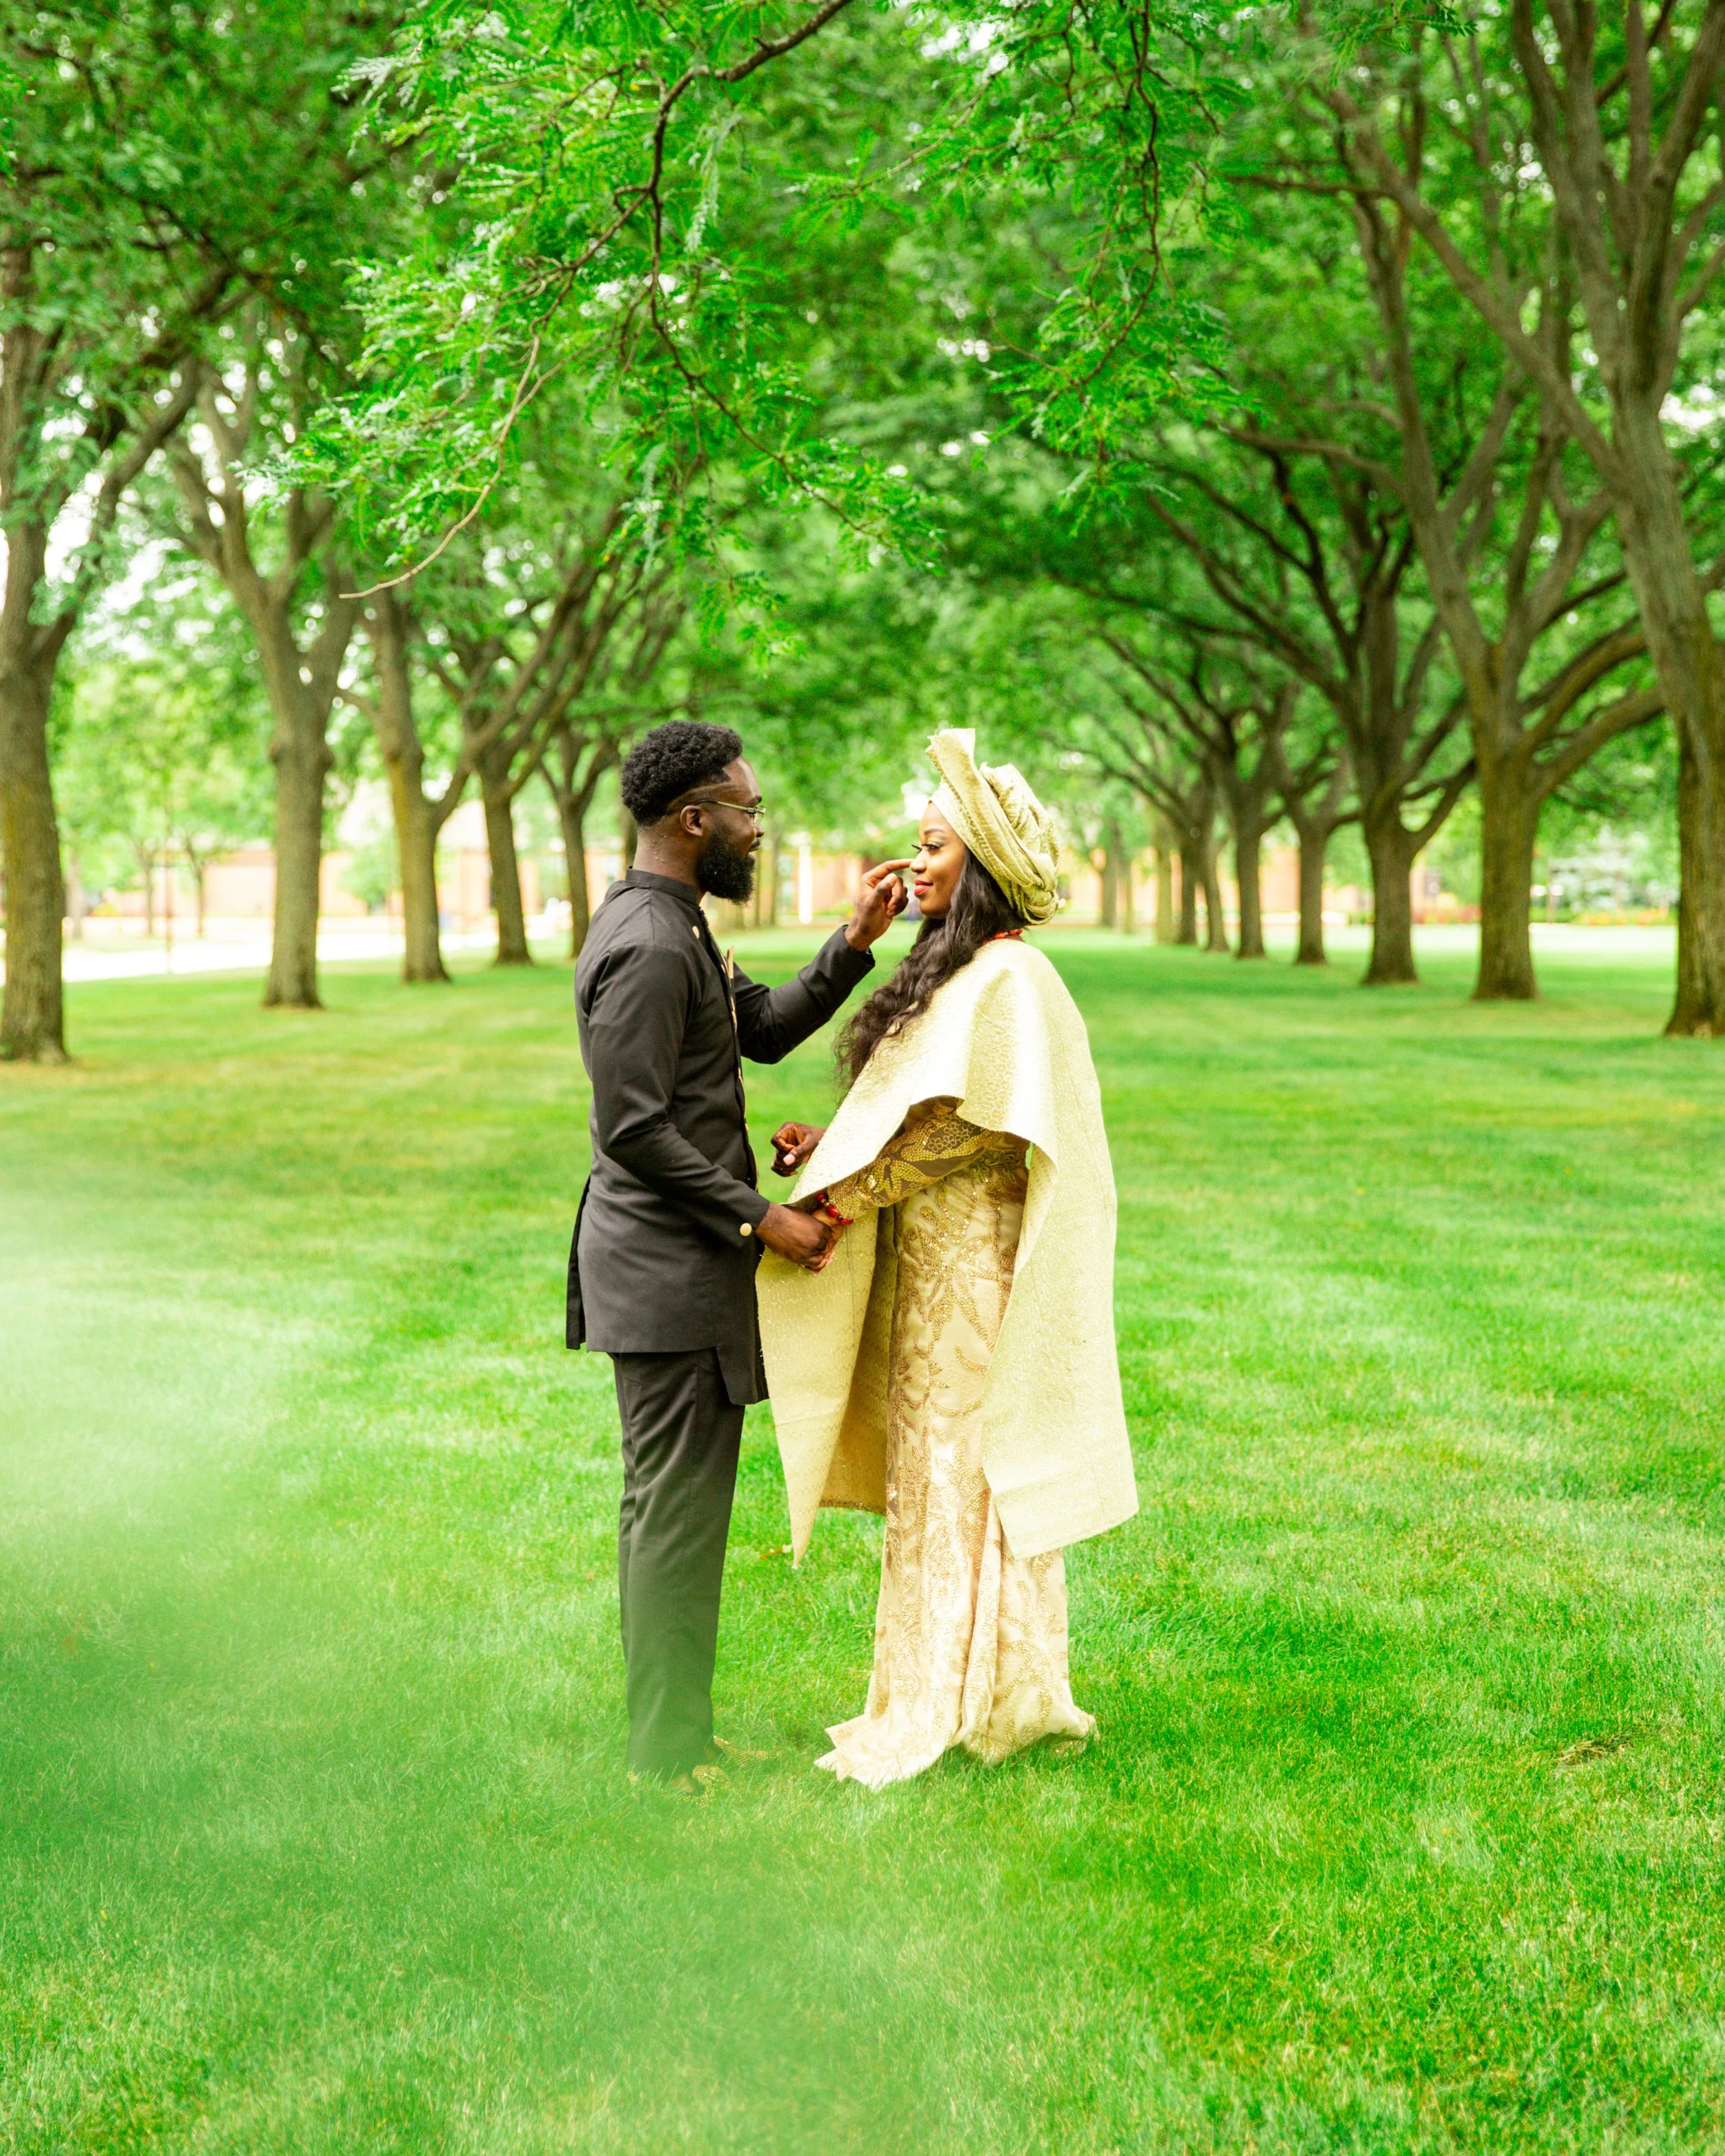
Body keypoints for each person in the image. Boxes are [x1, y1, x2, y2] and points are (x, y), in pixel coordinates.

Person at [756, 729, 1138, 1790]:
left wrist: (843, 1194)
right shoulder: (963, 972)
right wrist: (827, 1152)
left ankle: (989, 1693)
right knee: (930, 1476)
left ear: (982, 866)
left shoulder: (1013, 977)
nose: (915, 863)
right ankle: (937, 1684)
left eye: (934, 846)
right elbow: (909, 1111)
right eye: (917, 844)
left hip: (979, 1277)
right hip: (931, 1277)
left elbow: (970, 1131)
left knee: (976, 1473)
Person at [568, 720, 909, 1793]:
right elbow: (630, 1127)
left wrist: (851, 945)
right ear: (695, 817)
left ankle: (682, 1736)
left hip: (684, 1272)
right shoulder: (651, 941)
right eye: (749, 812)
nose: (759, 831)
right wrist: (765, 1216)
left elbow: (757, 1030)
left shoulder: (681, 929)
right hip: (663, 1278)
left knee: (679, 1513)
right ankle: (666, 1756)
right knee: (671, 1517)